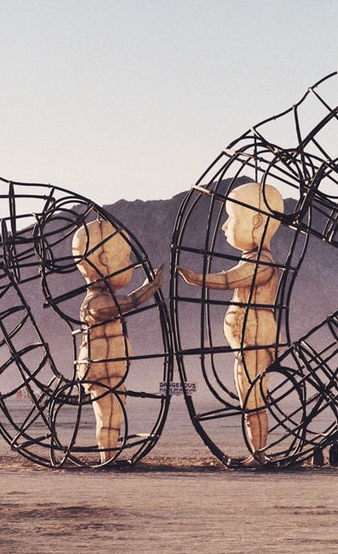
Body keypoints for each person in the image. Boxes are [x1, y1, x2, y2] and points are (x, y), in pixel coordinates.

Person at [177, 181, 283, 465]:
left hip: (255, 342)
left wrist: (197, 278)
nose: (224, 227)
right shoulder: (251, 260)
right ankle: (257, 452)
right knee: (249, 400)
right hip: (245, 343)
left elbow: (229, 279)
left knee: (253, 401)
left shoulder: (261, 263)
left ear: (257, 221)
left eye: (232, 219)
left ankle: (258, 454)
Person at [72, 219, 162, 464]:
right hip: (98, 368)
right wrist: (149, 288)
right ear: (102, 260)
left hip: (113, 367)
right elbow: (126, 304)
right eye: (123, 256)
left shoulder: (101, 298)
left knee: (114, 415)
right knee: (108, 414)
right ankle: (107, 456)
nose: (130, 264)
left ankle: (109, 454)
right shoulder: (94, 302)